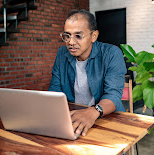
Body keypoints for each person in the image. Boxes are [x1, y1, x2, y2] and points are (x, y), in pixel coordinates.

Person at [49, 9, 127, 137]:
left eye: (78, 36)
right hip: (72, 117)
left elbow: (113, 95)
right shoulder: (62, 54)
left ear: (94, 36)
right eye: (67, 36)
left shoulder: (111, 53)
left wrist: (93, 112)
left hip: (106, 118)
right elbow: (55, 90)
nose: (71, 42)